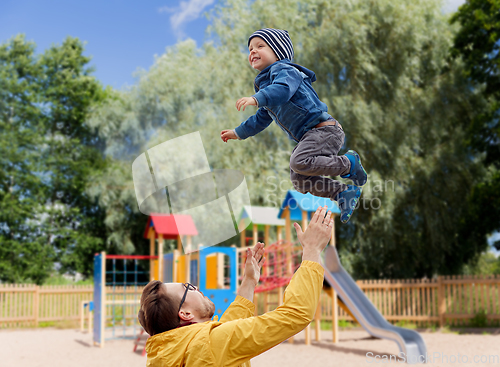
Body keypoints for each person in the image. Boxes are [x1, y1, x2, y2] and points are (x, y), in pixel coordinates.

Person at [139, 206, 334, 367]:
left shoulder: (169, 352)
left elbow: (225, 329)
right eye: (188, 287)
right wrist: (312, 250)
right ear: (186, 314)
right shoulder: (211, 344)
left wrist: (249, 282)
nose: (196, 287)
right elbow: (296, 314)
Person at [221, 28, 368, 223]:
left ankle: (349, 163)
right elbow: (261, 119)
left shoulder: (285, 71)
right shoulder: (268, 88)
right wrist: (238, 132)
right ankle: (342, 193)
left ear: (277, 52)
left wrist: (256, 98)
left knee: (299, 161)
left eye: (260, 46)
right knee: (299, 180)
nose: (252, 52)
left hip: (324, 130)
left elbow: (282, 90)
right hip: (311, 136)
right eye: (250, 49)